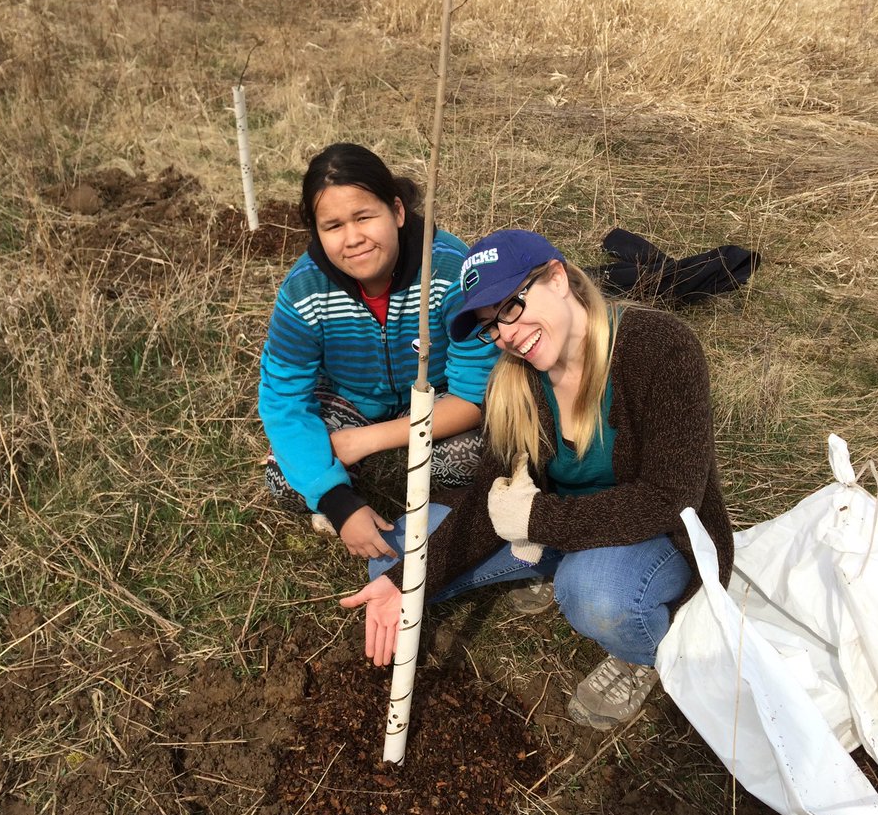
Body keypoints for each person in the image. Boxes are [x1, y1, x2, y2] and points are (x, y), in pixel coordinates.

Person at [340, 228, 734, 729]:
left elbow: (670, 498)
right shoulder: (515, 379)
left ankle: (642, 653)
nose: (506, 333)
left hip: (654, 535)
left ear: (558, 277)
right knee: (394, 563)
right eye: (489, 324)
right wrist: (402, 583)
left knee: (596, 596)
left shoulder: (659, 346)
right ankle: (548, 566)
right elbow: (491, 500)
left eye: (511, 305)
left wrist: (537, 519)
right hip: (552, 531)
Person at [259, 143, 499, 561]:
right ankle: (345, 490)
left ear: (398, 212)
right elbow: (284, 402)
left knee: (476, 456)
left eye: (364, 217)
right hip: (348, 399)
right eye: (332, 226)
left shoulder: (448, 272)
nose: (352, 239)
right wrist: (336, 502)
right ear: (316, 231)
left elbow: (475, 396)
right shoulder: (303, 291)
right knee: (284, 476)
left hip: (438, 397)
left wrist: (362, 442)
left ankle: (448, 507)